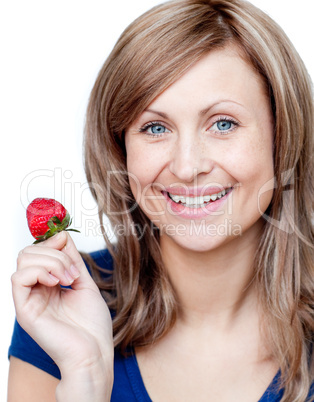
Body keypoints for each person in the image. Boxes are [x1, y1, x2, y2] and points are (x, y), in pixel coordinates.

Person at [8, 0, 314, 401]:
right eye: (155, 127)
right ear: (121, 150)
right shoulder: (62, 307)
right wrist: (84, 378)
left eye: (223, 123)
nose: (188, 167)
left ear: (281, 134)